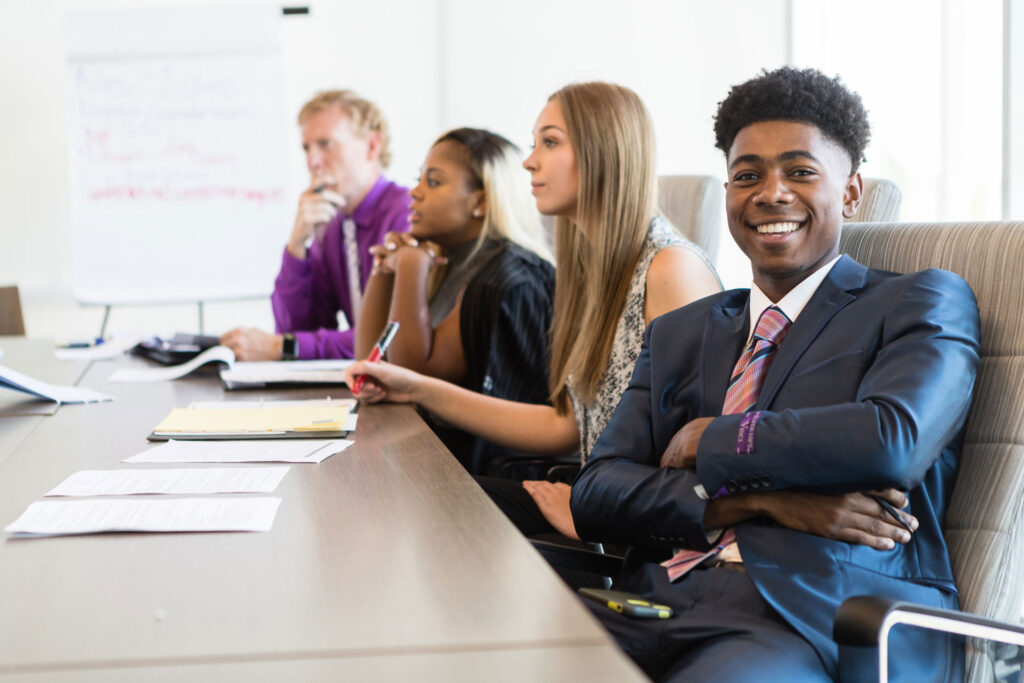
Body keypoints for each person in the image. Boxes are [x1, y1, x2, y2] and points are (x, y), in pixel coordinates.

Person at [569, 67, 980, 682]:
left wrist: (712, 439)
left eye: (801, 171)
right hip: (652, 603)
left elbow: (889, 440)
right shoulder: (682, 331)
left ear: (850, 192)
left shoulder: (919, 302)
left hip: (816, 620)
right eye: (747, 175)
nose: (771, 193)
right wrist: (762, 501)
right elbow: (596, 492)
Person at [346, 82, 722, 534]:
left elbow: (695, 460)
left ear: (603, 152)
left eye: (549, 142)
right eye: (533, 143)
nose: (528, 161)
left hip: (633, 525)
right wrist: (415, 388)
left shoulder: (669, 269)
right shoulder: (588, 271)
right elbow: (566, 426)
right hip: (596, 498)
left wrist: (592, 512)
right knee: (412, 489)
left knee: (423, 506)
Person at [356, 128, 555, 472]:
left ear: (480, 201)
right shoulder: (452, 262)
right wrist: (383, 270)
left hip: (492, 478)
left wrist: (411, 265)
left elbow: (411, 377)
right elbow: (371, 363)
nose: (414, 193)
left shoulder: (503, 277)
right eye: (419, 179)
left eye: (433, 182)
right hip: (438, 460)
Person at [221, 90, 409, 361]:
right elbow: (298, 329)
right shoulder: (334, 225)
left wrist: (283, 347)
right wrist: (298, 244)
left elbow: (390, 339)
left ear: (372, 145)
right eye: (307, 148)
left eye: (326, 144)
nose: (312, 161)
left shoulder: (405, 216)